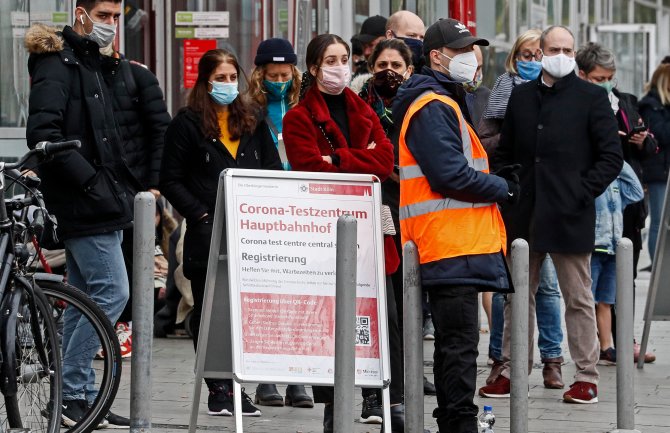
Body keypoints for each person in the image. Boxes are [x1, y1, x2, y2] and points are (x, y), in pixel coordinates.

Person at [479, 25, 624, 404]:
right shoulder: (522, 96)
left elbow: (612, 156)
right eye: (554, 48)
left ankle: (586, 376)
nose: (561, 54)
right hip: (524, 212)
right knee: (517, 297)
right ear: (540, 51)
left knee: (577, 297)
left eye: (568, 49)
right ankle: (510, 370)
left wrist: (582, 190)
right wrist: (511, 186)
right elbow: (506, 150)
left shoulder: (592, 98)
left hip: (570, 213)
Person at [392, 18, 514, 433]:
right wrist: (503, 187)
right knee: (460, 344)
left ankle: (452, 418)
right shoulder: (431, 106)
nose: (470, 58)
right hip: (446, 243)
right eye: (461, 51)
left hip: (454, 241)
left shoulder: (445, 100)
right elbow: (450, 175)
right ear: (437, 57)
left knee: (454, 343)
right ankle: (458, 422)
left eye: (471, 50)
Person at [25, 0, 132, 427]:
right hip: (83, 200)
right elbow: (43, 134)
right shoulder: (57, 63)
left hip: (101, 197)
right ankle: (72, 391)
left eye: (116, 18)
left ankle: (83, 398)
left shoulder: (91, 61)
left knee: (84, 300)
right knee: (112, 292)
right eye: (103, 16)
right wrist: (90, 182)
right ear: (81, 12)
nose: (110, 25)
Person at [160, 48, 282, 417]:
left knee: (243, 313)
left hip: (249, 232)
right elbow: (170, 179)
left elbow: (272, 167)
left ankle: (238, 384)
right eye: (220, 78)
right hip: (206, 233)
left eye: (233, 78)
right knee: (209, 310)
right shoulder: (187, 123)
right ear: (205, 81)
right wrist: (199, 214)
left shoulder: (252, 119)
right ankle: (219, 388)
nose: (228, 85)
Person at [282, 33, 395, 433]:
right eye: (331, 60)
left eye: (344, 58)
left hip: (370, 231)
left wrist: (340, 157)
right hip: (325, 234)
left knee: (379, 318)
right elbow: (311, 170)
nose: (339, 66)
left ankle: (383, 398)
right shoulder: (297, 117)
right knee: (331, 323)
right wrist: (356, 161)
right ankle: (334, 409)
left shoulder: (363, 109)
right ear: (314, 68)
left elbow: (384, 161)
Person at [478, 29, 565, 390]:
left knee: (547, 286)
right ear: (515, 57)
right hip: (515, 199)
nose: (531, 61)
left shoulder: (560, 90)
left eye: (537, 54)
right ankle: (504, 358)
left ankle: (552, 358)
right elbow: (488, 141)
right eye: (525, 55)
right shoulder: (505, 89)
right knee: (510, 287)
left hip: (551, 199)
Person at [575, 42, 657, 364]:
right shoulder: (576, 104)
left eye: (610, 76)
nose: (607, 82)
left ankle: (626, 339)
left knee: (625, 275)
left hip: (627, 205)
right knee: (593, 279)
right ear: (583, 75)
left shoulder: (626, 103)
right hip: (595, 204)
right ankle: (600, 343)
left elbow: (651, 149)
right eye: (599, 77)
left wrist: (642, 141)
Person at [246, 37, 314, 409]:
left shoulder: (304, 103)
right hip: (265, 206)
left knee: (302, 297)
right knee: (268, 296)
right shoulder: (249, 108)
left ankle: (299, 379)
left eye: (284, 74)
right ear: (260, 74)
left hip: (301, 204)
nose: (278, 81)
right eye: (271, 75)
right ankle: (267, 378)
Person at [98, 41, 171, 359]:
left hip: (135, 190)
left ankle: (126, 325)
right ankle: (105, 325)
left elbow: (160, 131)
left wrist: (154, 187)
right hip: (98, 189)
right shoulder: (81, 77)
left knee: (131, 259)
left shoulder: (138, 76)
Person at [590, 161, 644, 364]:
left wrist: (617, 161)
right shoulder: (591, 178)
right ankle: (590, 347)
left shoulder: (618, 182)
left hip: (613, 249)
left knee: (606, 301)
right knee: (588, 300)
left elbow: (637, 191)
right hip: (594, 247)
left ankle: (606, 348)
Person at [639, 64, 670, 274]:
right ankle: (657, 267)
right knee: (658, 221)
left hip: (664, 169)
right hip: (658, 172)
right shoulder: (651, 105)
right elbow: (662, 135)